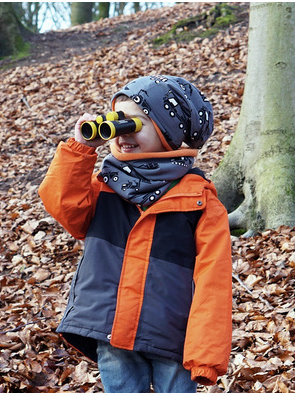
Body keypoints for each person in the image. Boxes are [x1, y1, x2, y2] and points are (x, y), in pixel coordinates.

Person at [39, 75, 232, 393]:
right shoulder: (105, 187)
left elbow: (214, 282)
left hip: (173, 337)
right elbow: (63, 205)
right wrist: (81, 149)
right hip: (112, 330)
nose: (123, 131)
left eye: (136, 123)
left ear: (168, 131)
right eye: (118, 121)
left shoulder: (199, 199)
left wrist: (205, 355)